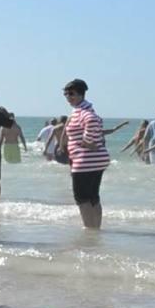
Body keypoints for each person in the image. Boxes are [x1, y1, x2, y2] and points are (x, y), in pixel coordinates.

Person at [62, 79, 109, 229]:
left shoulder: (85, 111)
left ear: (81, 94)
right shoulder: (81, 110)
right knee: (93, 197)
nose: (68, 97)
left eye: (72, 94)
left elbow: (93, 120)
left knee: (82, 199)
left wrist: (87, 141)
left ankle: (90, 230)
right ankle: (95, 228)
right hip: (94, 161)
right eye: (66, 94)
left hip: (85, 162)